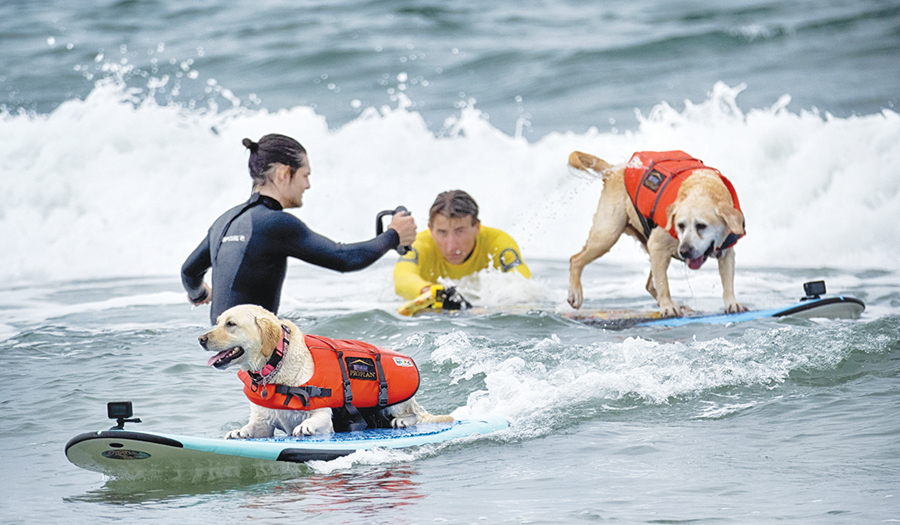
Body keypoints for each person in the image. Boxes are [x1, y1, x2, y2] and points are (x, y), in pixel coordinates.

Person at [182, 133, 416, 324]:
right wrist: (393, 235)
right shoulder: (275, 223)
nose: (308, 185)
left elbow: (189, 272)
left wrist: (201, 294)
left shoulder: (224, 220)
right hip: (252, 352)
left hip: (222, 348)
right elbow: (344, 258)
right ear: (285, 173)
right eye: (305, 175)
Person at [393, 190, 530, 301]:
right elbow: (401, 279)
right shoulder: (419, 244)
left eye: (460, 232)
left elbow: (523, 283)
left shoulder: (498, 242)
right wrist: (434, 293)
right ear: (431, 229)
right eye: (442, 232)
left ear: (477, 227)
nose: (451, 246)